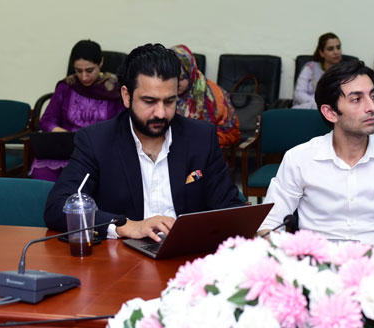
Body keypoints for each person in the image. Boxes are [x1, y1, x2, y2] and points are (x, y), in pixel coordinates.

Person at [44, 44, 243, 241]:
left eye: (169, 101)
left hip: (189, 253)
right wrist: (124, 226)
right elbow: (58, 207)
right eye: (149, 101)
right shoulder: (97, 141)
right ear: (126, 96)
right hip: (123, 255)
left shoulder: (201, 138)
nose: (161, 113)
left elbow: (230, 207)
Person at [258, 59, 374, 245]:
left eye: (373, 96)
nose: (371, 107)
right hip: (317, 260)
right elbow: (268, 225)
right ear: (330, 112)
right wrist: (290, 254)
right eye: (357, 99)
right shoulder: (299, 158)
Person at [31, 39, 124, 182]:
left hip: (101, 149)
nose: (84, 77)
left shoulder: (114, 88)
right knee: (41, 172)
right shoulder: (67, 86)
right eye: (78, 71)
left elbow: (123, 123)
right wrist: (66, 136)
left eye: (89, 70)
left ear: (100, 63)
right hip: (67, 149)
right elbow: (47, 120)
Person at [171, 44, 240, 147]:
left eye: (181, 78)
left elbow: (231, 132)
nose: (176, 84)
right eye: (171, 77)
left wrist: (196, 139)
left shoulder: (212, 94)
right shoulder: (162, 91)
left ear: (191, 73)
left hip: (203, 147)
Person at [293, 33, 344, 109]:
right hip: (309, 108)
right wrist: (318, 104)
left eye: (338, 47)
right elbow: (298, 94)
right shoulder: (310, 68)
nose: (336, 52)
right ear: (321, 53)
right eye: (330, 49)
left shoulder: (346, 71)